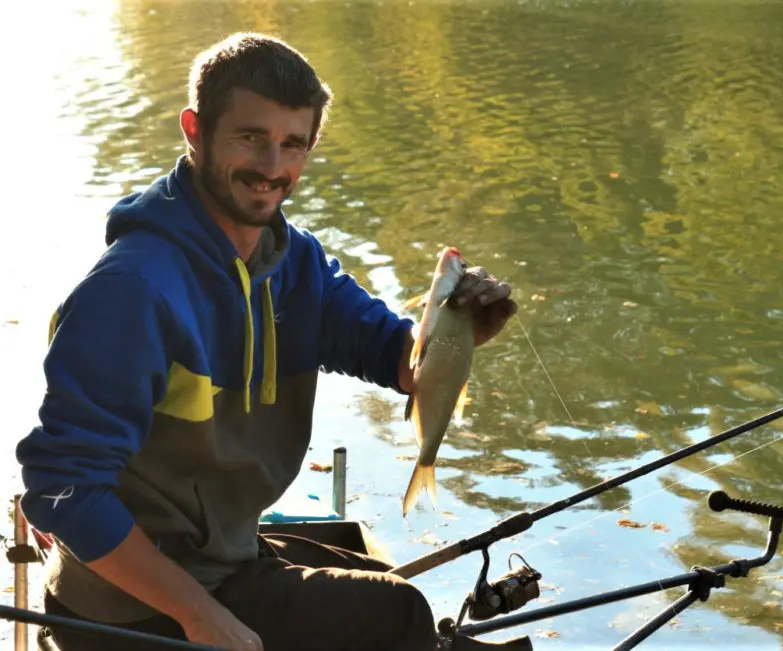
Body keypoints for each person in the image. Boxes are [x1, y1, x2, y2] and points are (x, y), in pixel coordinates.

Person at [15, 31, 520, 651]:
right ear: (195, 130)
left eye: (293, 144)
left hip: (226, 558)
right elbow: (59, 489)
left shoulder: (296, 262)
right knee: (399, 613)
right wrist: (199, 614)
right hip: (121, 611)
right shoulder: (132, 290)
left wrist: (458, 332)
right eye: (251, 138)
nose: (273, 168)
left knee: (375, 581)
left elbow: (400, 361)